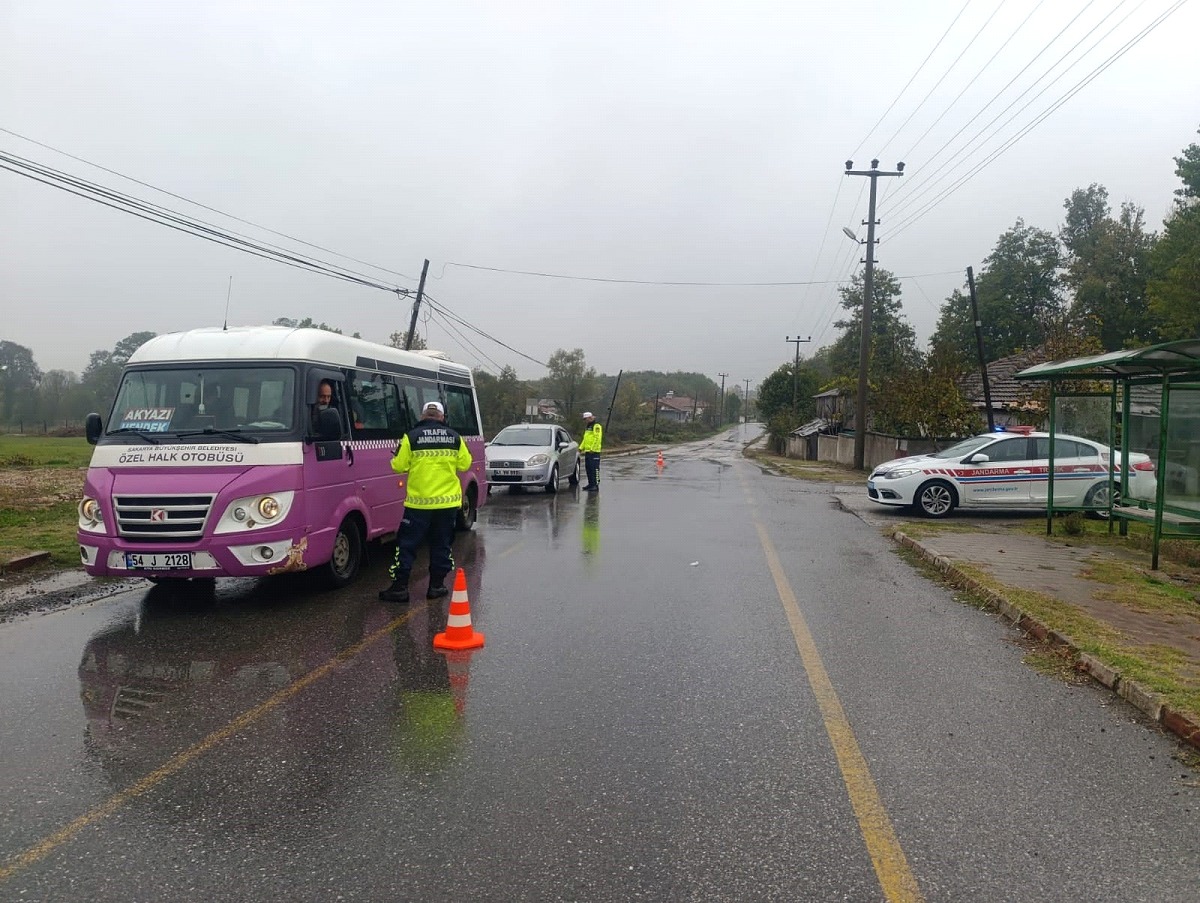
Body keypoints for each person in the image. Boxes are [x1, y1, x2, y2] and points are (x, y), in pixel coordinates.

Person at [379, 401, 473, 603]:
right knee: (442, 545)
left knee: (406, 546)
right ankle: (436, 586)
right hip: (447, 505)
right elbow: (465, 464)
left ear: (423, 416)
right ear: (442, 417)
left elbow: (398, 466)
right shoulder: (454, 437)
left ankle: (400, 588)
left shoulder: (411, 437)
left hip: (418, 505)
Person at [579, 411, 603, 491]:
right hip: (588, 451)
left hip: (594, 452)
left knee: (595, 469)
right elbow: (585, 439)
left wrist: (593, 448)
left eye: (586, 419)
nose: (585, 421)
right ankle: (590, 484)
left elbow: (597, 438)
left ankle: (595, 485)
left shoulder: (596, 426)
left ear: (590, 418)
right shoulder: (588, 427)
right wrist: (581, 448)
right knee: (588, 468)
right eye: (584, 419)